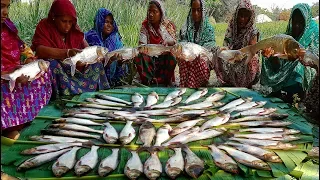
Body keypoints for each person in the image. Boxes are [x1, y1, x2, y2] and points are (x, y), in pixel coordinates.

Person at [31, 0, 109, 97]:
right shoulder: (44, 26)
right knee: (52, 64)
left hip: (76, 67)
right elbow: (40, 50)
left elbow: (87, 49)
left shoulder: (74, 29)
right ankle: (64, 96)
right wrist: (67, 53)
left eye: (70, 22)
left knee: (97, 64)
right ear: (54, 18)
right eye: (64, 21)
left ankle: (97, 94)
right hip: (60, 68)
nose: (68, 25)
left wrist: (89, 59)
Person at [1, 0, 52, 139]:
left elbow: (24, 48)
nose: (5, 12)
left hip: (15, 72)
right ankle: (8, 127)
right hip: (4, 77)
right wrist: (7, 74)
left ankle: (22, 121)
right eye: (1, 6)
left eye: (7, 6)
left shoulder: (8, 28)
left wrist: (29, 59)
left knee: (44, 70)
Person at [260, 3, 318, 103]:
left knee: (297, 63)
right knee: (268, 58)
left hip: (309, 67)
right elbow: (282, 53)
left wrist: (297, 56)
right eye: (294, 21)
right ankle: (277, 89)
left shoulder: (314, 32)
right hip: (290, 62)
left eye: (300, 22)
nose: (296, 26)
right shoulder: (288, 34)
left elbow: (313, 56)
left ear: (306, 22)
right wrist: (273, 54)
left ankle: (298, 94)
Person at [214, 0, 260, 88]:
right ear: (236, 14)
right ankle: (228, 81)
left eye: (246, 16)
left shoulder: (253, 32)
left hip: (244, 61)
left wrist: (241, 55)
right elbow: (226, 45)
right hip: (231, 59)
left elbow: (253, 51)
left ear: (250, 17)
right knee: (217, 52)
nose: (242, 19)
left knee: (253, 58)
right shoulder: (231, 27)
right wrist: (225, 50)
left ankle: (246, 83)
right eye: (240, 15)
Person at [134, 0, 177, 86]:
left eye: (155, 12)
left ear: (160, 13)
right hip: (150, 59)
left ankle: (164, 80)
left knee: (172, 56)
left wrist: (168, 42)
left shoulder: (167, 25)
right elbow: (142, 44)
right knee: (139, 55)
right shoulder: (145, 26)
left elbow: (174, 42)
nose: (151, 14)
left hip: (163, 59)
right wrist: (144, 49)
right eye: (149, 11)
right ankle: (149, 80)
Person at [85, 8, 128, 87]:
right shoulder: (91, 37)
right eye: (106, 22)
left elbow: (120, 65)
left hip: (112, 81)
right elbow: (93, 64)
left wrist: (120, 62)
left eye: (111, 23)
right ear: (99, 21)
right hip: (93, 81)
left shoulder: (114, 40)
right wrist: (109, 61)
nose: (109, 25)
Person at [178, 0, 215, 88]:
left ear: (203, 11)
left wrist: (197, 57)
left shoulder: (208, 29)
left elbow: (209, 52)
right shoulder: (185, 28)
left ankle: (199, 83)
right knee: (182, 57)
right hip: (187, 59)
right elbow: (182, 44)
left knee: (200, 61)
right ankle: (186, 85)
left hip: (201, 64)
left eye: (199, 10)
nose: (196, 13)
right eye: (193, 10)